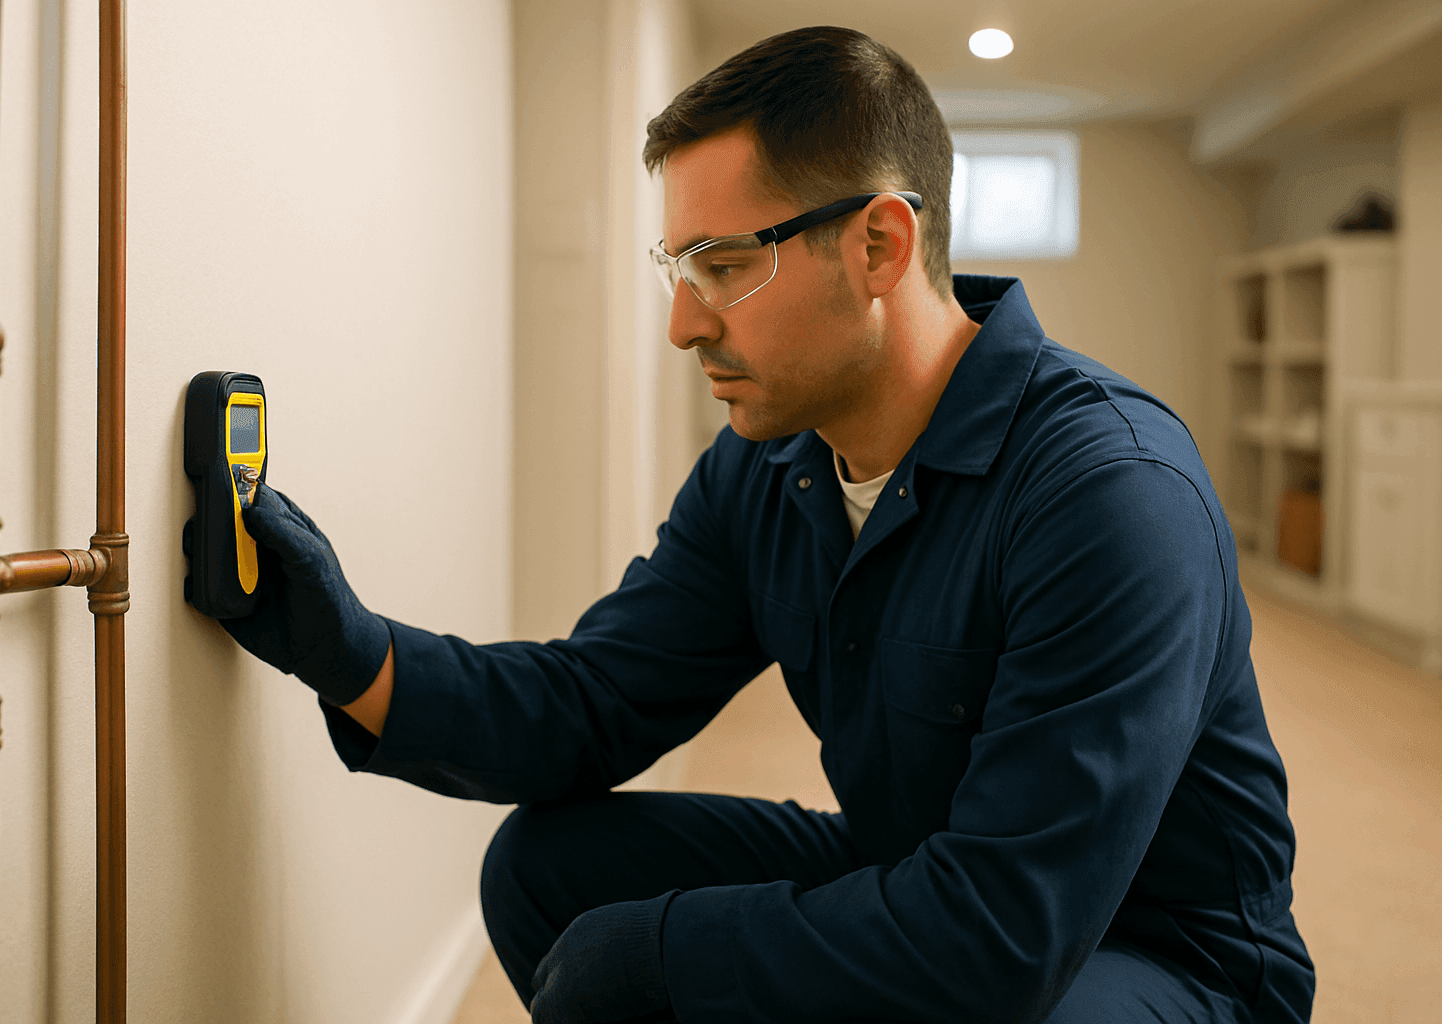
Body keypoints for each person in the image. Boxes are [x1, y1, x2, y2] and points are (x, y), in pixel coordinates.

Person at [186, 25, 1315, 1024]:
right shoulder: (768, 467)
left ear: (879, 244)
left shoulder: (1110, 492)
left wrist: (668, 954)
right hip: (918, 863)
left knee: (675, 953)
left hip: (1158, 953)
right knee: (552, 869)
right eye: (679, 269)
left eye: (723, 266)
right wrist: (351, 652)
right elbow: (596, 700)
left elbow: (1005, 935)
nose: (684, 324)